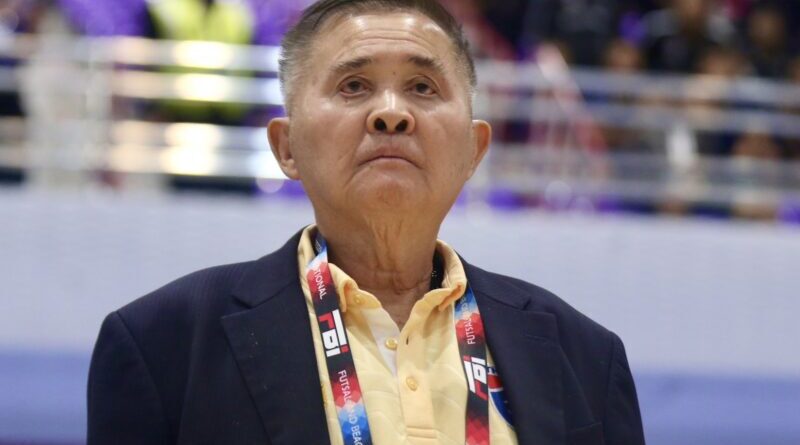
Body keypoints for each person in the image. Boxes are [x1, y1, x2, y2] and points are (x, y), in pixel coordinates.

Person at [86, 0, 645, 443]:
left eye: (423, 88)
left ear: (474, 150)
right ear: (286, 147)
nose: (391, 113)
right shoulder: (164, 347)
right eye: (353, 86)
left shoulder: (585, 358)